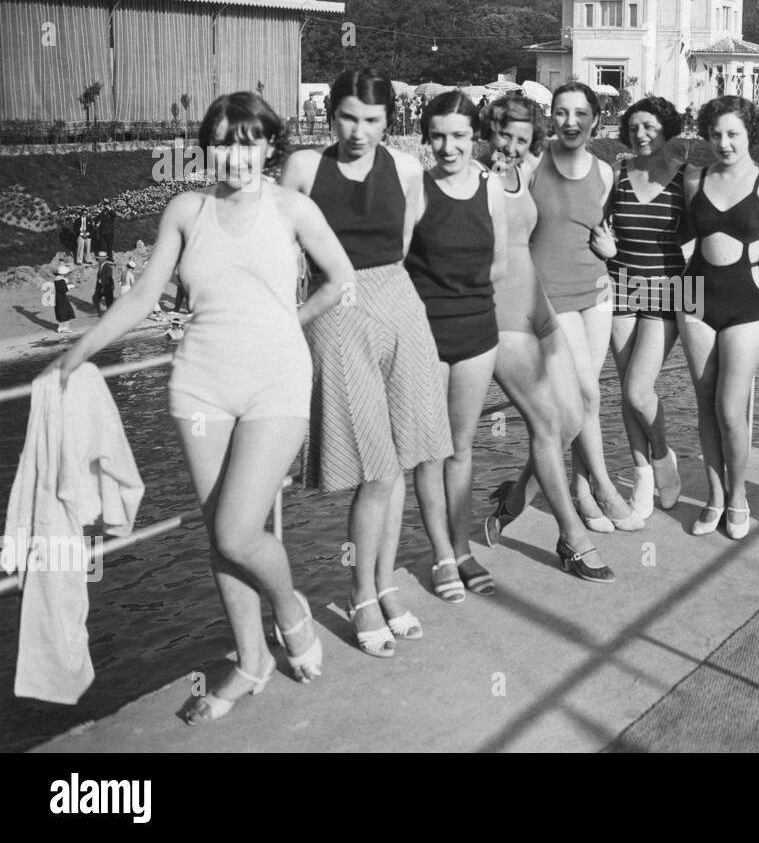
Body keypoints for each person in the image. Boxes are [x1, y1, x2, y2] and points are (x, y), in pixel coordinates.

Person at [46, 91, 354, 722]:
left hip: (276, 382)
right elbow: (142, 297)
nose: (235, 157)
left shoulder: (292, 208)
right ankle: (250, 661)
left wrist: (289, 323)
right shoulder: (187, 209)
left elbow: (340, 279)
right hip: (199, 383)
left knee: (238, 530)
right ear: (206, 149)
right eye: (222, 144)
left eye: (248, 143)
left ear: (269, 146)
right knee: (221, 533)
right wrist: (79, 352)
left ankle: (290, 611)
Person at [281, 68, 454, 658]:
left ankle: (385, 585)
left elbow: (401, 246)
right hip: (337, 307)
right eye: (348, 118)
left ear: (389, 120)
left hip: (398, 303)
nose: (358, 132)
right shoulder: (304, 167)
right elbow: (282, 252)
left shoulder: (406, 168)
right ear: (331, 116)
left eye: (372, 120)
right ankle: (360, 593)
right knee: (373, 468)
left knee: (402, 456)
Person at [479, 93, 615, 581]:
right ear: (488, 133)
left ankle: (515, 497)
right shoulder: (475, 179)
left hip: (539, 304)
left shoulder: (522, 173)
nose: (511, 147)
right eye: (504, 136)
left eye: (521, 139)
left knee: (574, 416)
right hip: (502, 315)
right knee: (545, 421)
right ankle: (572, 537)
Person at [404, 92, 508, 601]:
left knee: (461, 448)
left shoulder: (492, 187)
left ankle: (464, 549)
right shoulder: (417, 189)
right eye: (439, 136)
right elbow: (397, 262)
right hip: (425, 335)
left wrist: (465, 288)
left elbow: (501, 261)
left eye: (459, 136)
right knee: (430, 451)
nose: (449, 148)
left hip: (477, 332)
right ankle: (442, 554)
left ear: (475, 137)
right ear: (428, 138)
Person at [528, 82, 641, 530]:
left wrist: (612, 250)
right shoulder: (533, 162)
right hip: (550, 294)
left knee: (584, 395)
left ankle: (580, 490)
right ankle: (605, 487)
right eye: (561, 112)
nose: (570, 122)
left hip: (596, 291)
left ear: (595, 120)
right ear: (550, 117)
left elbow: (602, 227)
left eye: (580, 113)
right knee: (587, 394)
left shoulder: (605, 172)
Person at [680, 95, 759, 539]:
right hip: (693, 293)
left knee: (729, 406)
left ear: (750, 135)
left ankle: (739, 495)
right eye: (716, 134)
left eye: (733, 134)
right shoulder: (695, 178)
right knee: (704, 401)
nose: (724, 143)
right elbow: (682, 235)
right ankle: (715, 495)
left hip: (746, 295)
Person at [589, 96, 687, 520]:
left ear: (667, 130)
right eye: (634, 128)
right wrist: (607, 249)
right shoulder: (618, 174)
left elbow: (704, 225)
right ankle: (642, 475)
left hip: (672, 288)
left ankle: (662, 457)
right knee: (627, 392)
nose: (640, 134)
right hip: (618, 285)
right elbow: (597, 226)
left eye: (649, 127)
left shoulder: (686, 177)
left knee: (637, 390)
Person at [53, 264, 74, 334]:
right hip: (62, 298)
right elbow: (63, 290)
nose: (67, 274)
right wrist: (69, 286)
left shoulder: (57, 279)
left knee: (61, 312)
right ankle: (65, 328)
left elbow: (60, 288)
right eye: (66, 273)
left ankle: (60, 327)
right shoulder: (61, 280)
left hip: (58, 298)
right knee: (68, 312)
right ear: (64, 273)